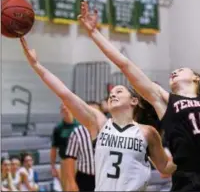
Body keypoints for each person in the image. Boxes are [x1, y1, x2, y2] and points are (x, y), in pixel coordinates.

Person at [77, 4, 200, 191]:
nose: (174, 72)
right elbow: (125, 65)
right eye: (173, 71)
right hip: (189, 176)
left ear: (195, 78)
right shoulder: (165, 100)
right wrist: (94, 33)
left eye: (180, 69)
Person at [19, 38, 176, 191]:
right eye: (111, 93)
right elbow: (65, 94)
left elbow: (165, 168)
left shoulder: (147, 132)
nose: (113, 95)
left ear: (134, 101)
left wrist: (189, 153)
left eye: (119, 91)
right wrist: (36, 65)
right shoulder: (99, 123)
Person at [64, 102, 99, 192]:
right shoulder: (77, 132)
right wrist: (72, 182)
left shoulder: (108, 131)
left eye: (96, 112)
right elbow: (70, 159)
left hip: (103, 177)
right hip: (84, 178)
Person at [50, 104, 80, 190]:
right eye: (63, 109)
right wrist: (52, 166)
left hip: (78, 161)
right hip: (65, 162)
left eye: (67, 108)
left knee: (78, 187)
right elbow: (53, 148)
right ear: (61, 112)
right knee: (66, 188)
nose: (65, 110)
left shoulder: (79, 125)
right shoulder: (58, 128)